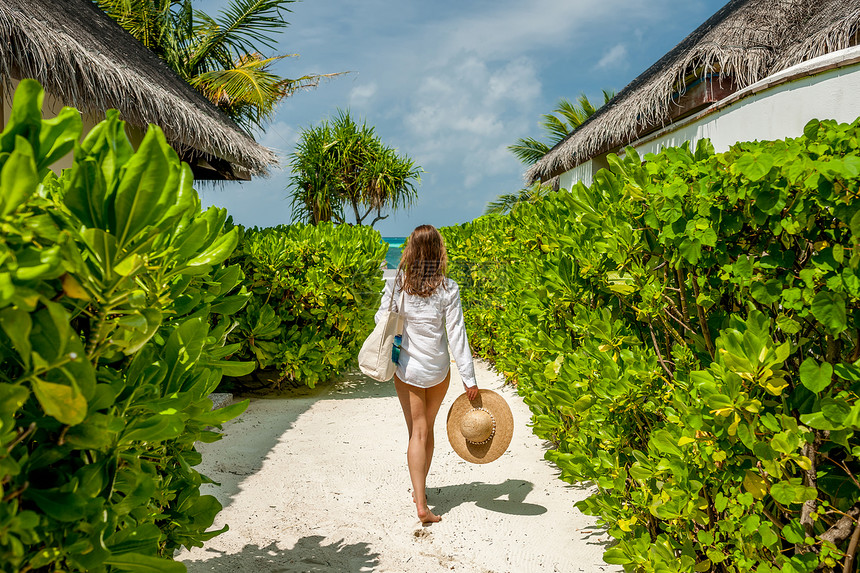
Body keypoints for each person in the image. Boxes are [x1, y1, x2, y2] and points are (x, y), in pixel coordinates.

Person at [375, 224, 479, 524]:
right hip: (437, 370)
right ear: (438, 253)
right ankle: (420, 495)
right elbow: (457, 333)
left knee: (416, 432)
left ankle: (420, 499)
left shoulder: (398, 283)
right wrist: (469, 378)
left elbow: (382, 319)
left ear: (411, 251)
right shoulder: (449, 288)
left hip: (407, 370)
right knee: (426, 430)